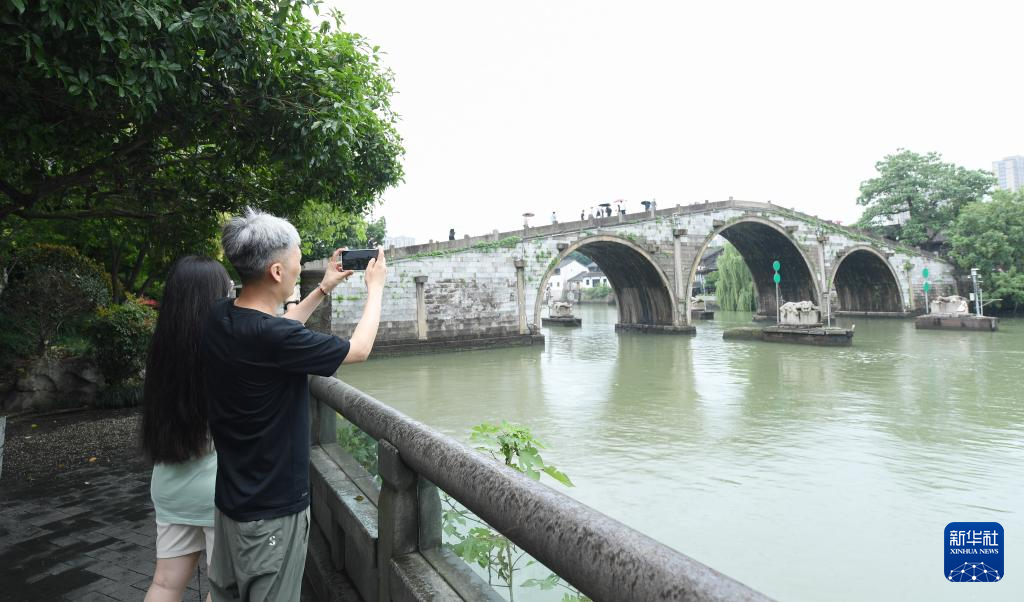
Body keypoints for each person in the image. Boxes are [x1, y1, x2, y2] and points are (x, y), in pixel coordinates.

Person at [201, 208, 387, 601]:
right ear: (276, 272)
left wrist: (324, 288)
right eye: (297, 259)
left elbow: (279, 329)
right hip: (272, 513)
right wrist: (376, 289)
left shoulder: (220, 317)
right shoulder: (273, 339)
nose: (302, 264)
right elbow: (359, 350)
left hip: (231, 501)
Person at [142, 256, 233, 602]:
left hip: (169, 484)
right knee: (224, 589)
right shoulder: (225, 349)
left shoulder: (163, 350)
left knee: (165, 584)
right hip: (216, 490)